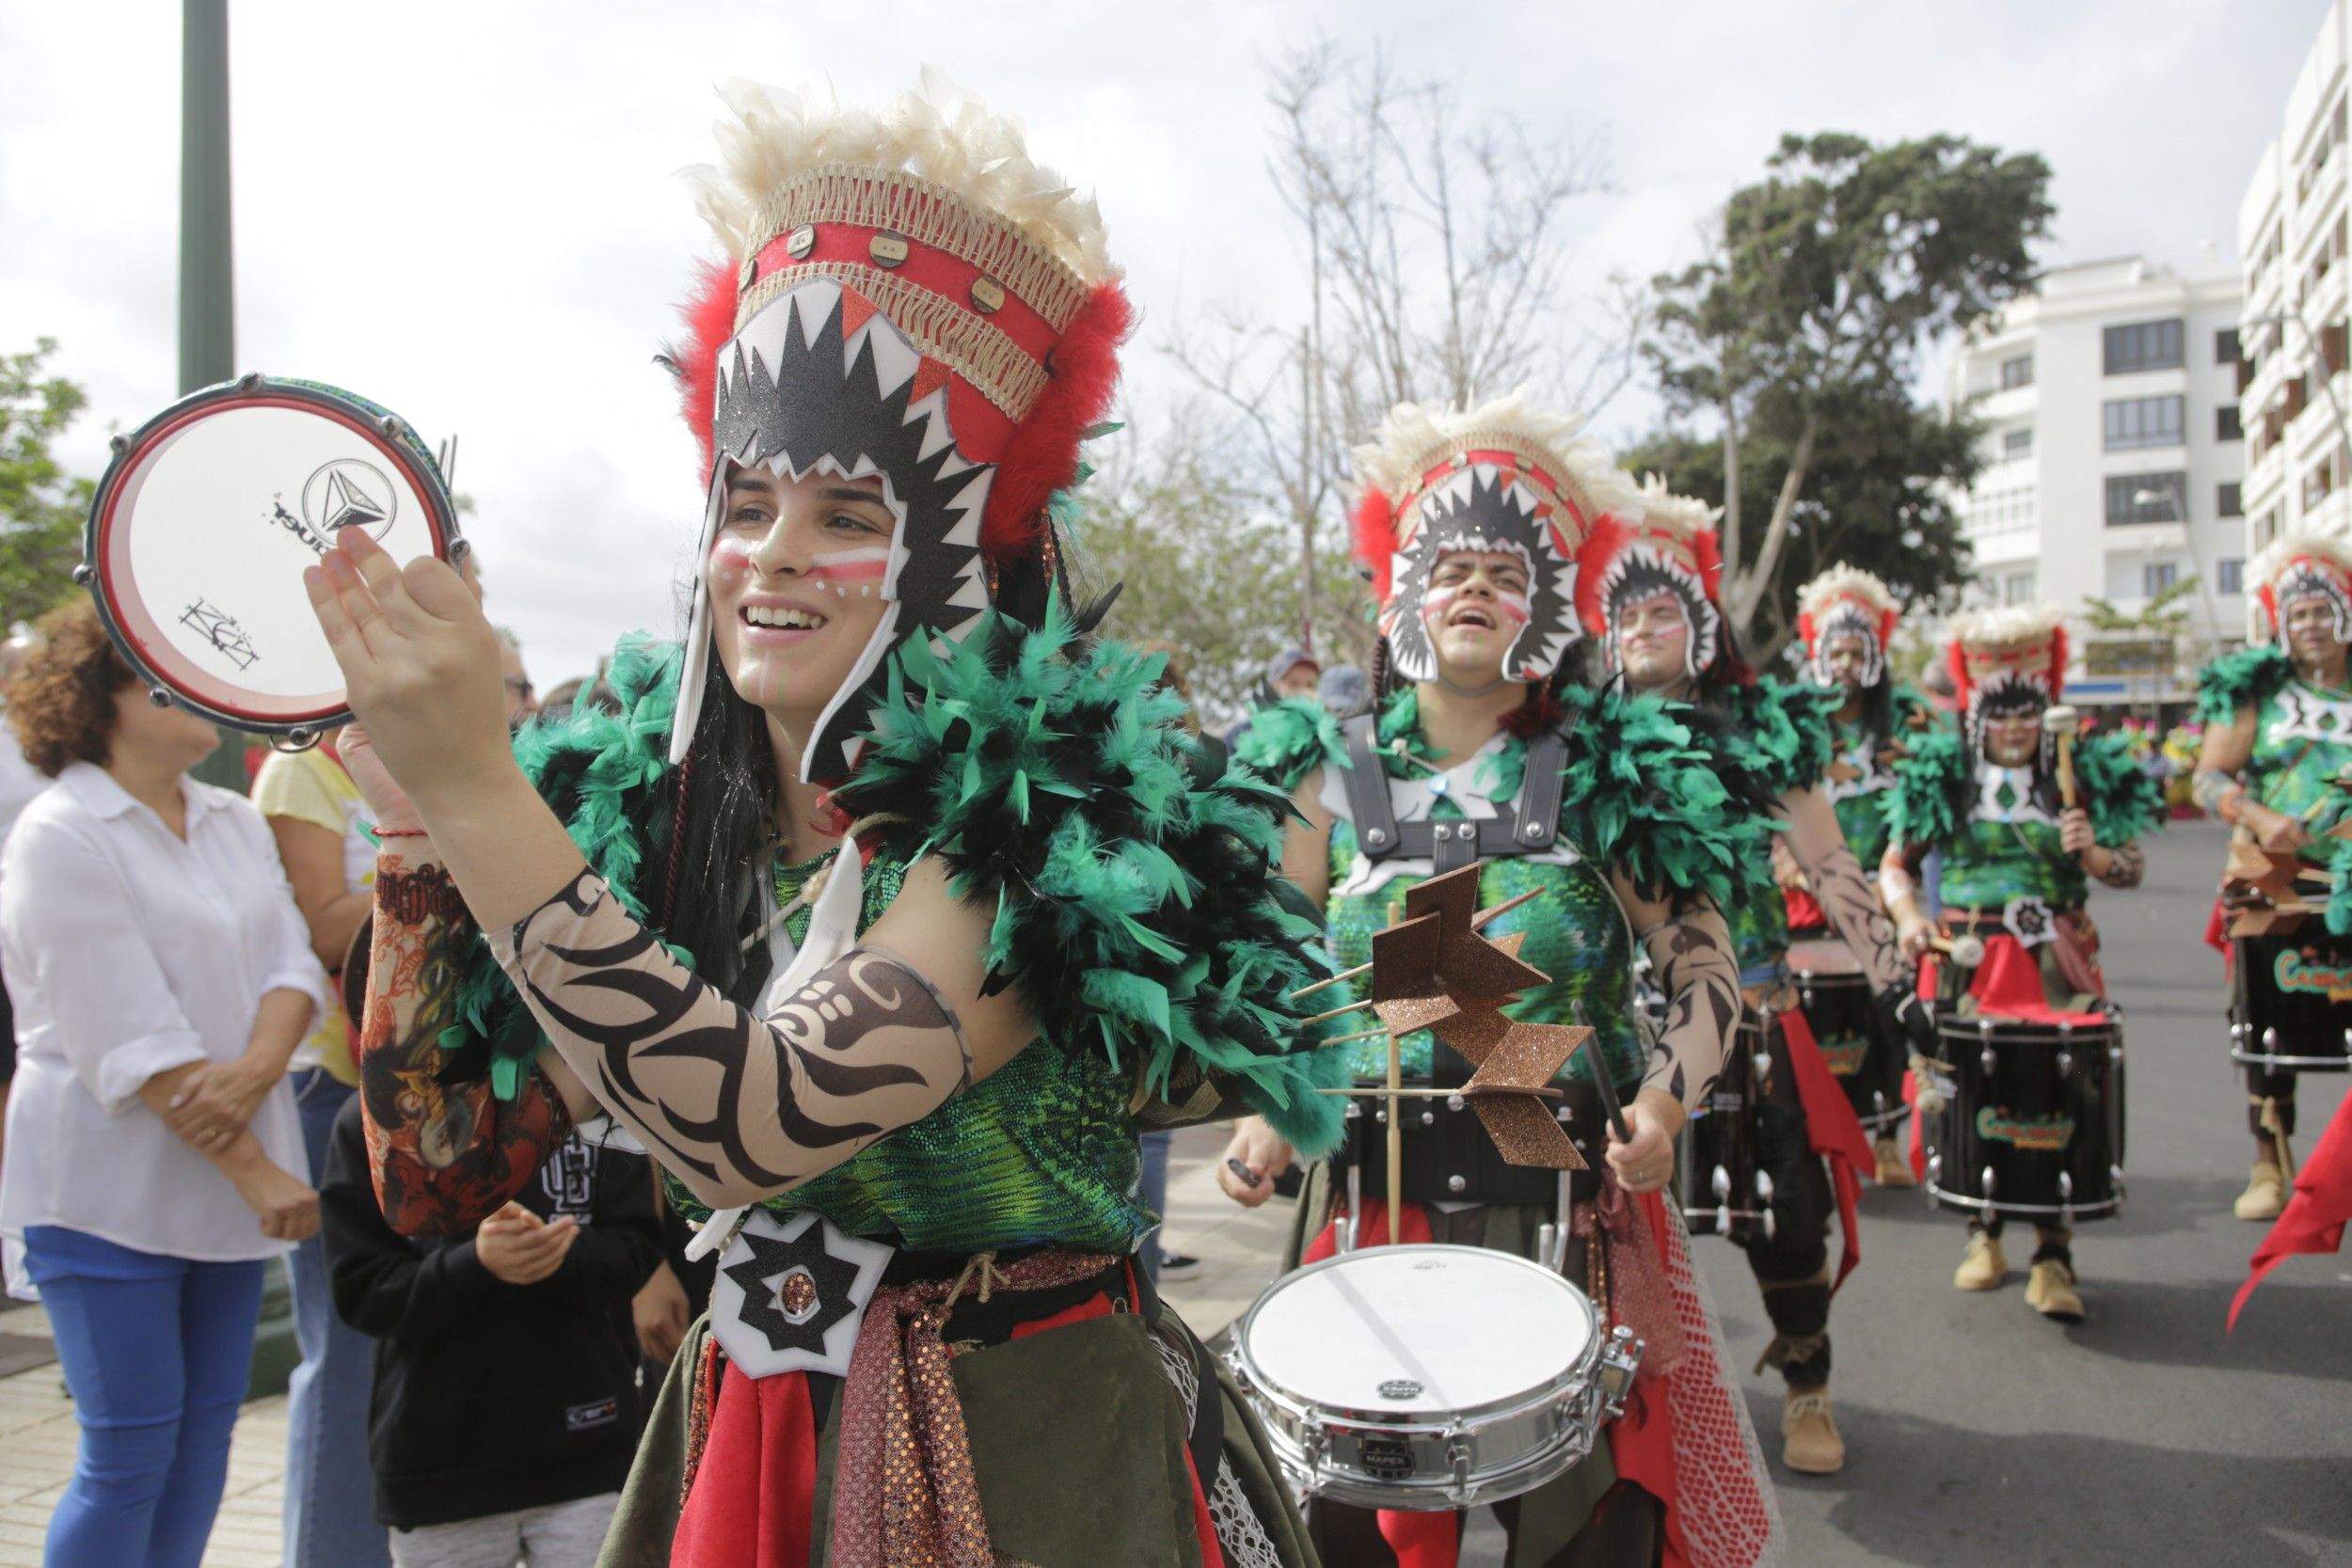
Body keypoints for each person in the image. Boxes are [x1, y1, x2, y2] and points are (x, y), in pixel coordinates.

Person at [303, 75, 1347, 1565]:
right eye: (746, 504)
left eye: (847, 516)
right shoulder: (651, 817)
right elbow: (438, 1169)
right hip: (746, 1428)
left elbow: (753, 1125)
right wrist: (418, 830)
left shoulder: (1025, 833)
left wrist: (481, 784)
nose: (771, 555)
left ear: (950, 562)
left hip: (1033, 1450)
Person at [1220, 393, 1781, 1566]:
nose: (1474, 585)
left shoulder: (1613, 772)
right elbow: (1271, 973)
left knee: (1584, 1531)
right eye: (1451, 564)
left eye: (1504, 569)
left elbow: (1702, 960)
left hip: (1559, 1183)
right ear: (1402, 592)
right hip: (1368, 1186)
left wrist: (1666, 1102)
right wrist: (1275, 1110)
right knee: (1346, 1531)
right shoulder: (1315, 776)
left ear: (1550, 608)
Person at [1583, 483, 1926, 1477]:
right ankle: (1618, 1427)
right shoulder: (1568, 746)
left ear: (1701, 626)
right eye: (1626, 612)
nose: (1643, 627)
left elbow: (1830, 866)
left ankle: (1808, 1385)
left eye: (1663, 609)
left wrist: (1898, 979)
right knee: (1602, 1242)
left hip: (1756, 1024)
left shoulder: (1761, 733)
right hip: (1614, 1044)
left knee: (1784, 1219)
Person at [0, 600, 328, 1568]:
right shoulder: (61, 830)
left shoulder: (231, 815)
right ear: (100, 695)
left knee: (203, 1440)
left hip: (229, 1185)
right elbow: (128, 1034)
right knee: (128, 1450)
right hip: (103, 1192)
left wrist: (260, 1069)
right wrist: (257, 1169)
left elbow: (293, 968)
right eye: (166, 673)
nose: (203, 692)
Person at [1882, 606, 2161, 1323]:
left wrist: (2094, 851)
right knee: (1972, 1091)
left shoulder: (2080, 776)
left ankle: (2055, 1251)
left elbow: (2131, 867)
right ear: (1978, 713)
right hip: (1968, 961)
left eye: (2027, 712)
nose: (2013, 726)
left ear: (2047, 712)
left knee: (2061, 1092)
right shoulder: (1945, 777)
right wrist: (1910, 918)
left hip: (2054, 963)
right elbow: (1895, 865)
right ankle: (1983, 1232)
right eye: (2000, 713)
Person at [322, 1095, 663, 1565]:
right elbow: (362, 1292)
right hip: (442, 1467)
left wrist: (554, 1257)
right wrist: (473, 1264)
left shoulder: (595, 1098)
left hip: (589, 1453)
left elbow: (637, 1247)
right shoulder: (375, 1114)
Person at [252, 728, 392, 1568]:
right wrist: (433, 843)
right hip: (330, 1091)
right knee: (344, 1356)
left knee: (384, 1353)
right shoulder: (300, 769)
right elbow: (326, 932)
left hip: (400, 1095)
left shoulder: (413, 751)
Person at [2192, 533, 2352, 1221]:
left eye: (2323, 611)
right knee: (2266, 1021)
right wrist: (2255, 813)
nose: (2311, 625)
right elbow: (2206, 778)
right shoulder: (2256, 690)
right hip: (2271, 875)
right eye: (2299, 614)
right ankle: (2268, 1162)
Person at [1789, 564, 1938, 1187]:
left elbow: (1927, 801)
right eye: (1837, 650)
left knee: (1885, 1013)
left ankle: (1883, 1135)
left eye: (1858, 650)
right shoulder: (1794, 725)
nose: (1847, 663)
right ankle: (1825, 1137)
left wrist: (1896, 865)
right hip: (1806, 891)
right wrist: (1789, 865)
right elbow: (1773, 806)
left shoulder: (1906, 724)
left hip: (1880, 886)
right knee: (1815, 1018)